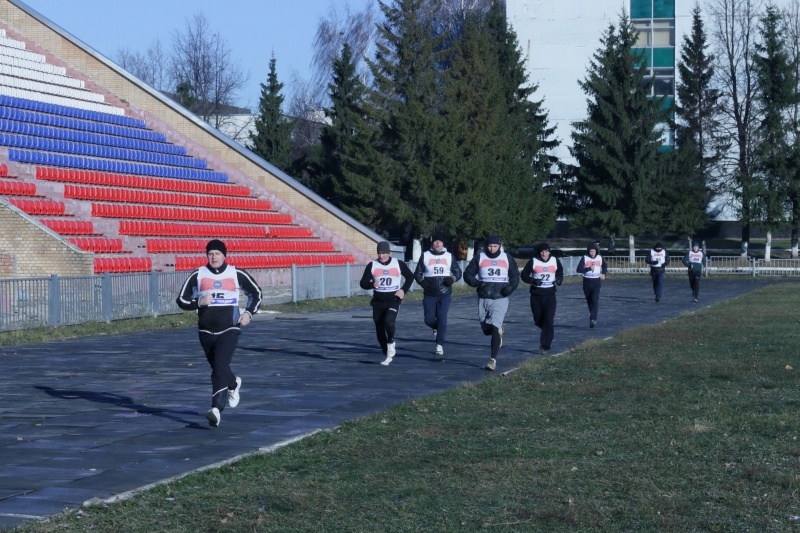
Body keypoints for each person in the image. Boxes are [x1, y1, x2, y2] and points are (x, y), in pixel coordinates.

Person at [176, 239, 262, 427]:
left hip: (230, 328)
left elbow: (256, 293)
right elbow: (181, 300)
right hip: (205, 331)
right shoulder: (198, 274)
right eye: (210, 254)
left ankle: (216, 409)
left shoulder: (236, 273)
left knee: (218, 368)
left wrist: (248, 313)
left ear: (224, 255)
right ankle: (233, 384)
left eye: (217, 253)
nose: (214, 257)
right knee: (218, 366)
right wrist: (198, 302)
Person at [463, 234, 520, 371]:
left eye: (495, 246)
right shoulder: (480, 257)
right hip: (484, 297)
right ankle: (497, 332)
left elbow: (515, 276)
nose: (492, 249)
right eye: (490, 246)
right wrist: (476, 283)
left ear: (499, 245)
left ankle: (492, 360)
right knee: (486, 329)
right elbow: (467, 274)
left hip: (500, 297)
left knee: (495, 326)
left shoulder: (507, 258)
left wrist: (510, 287)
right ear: (485, 246)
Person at [359, 241, 414, 366]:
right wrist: (372, 284)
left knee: (389, 322)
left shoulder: (398, 264)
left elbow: (410, 277)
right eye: (379, 253)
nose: (381, 255)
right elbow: (363, 283)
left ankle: (391, 342)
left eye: (384, 253)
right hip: (378, 302)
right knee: (379, 331)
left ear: (389, 253)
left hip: (393, 299)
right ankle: (387, 353)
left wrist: (403, 290)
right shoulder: (372, 265)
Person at [414, 231, 462, 356]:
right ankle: (436, 328)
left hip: (444, 293)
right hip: (429, 293)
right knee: (428, 319)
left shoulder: (449, 256)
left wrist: (452, 279)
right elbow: (418, 273)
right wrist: (422, 282)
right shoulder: (425, 255)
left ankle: (439, 344)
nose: (437, 243)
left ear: (443, 243)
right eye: (435, 241)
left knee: (442, 318)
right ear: (432, 243)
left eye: (440, 241)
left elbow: (458, 272)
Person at [521, 242, 564, 356]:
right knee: (538, 320)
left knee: (549, 320)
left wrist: (559, 279)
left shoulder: (554, 260)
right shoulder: (533, 261)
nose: (544, 254)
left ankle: (545, 345)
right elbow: (524, 274)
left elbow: (559, 271)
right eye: (542, 252)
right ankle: (548, 331)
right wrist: (532, 281)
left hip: (550, 295)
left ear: (549, 252)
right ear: (539, 253)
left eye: (546, 251)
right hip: (536, 295)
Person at [576, 242, 607, 328]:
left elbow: (604, 266)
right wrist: (589, 268)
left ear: (596, 251)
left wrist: (604, 274)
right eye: (590, 251)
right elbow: (578, 269)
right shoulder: (584, 258)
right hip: (587, 281)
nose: (592, 253)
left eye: (594, 251)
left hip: (596, 281)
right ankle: (593, 316)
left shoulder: (600, 257)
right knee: (589, 300)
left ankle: (593, 319)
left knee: (595, 300)